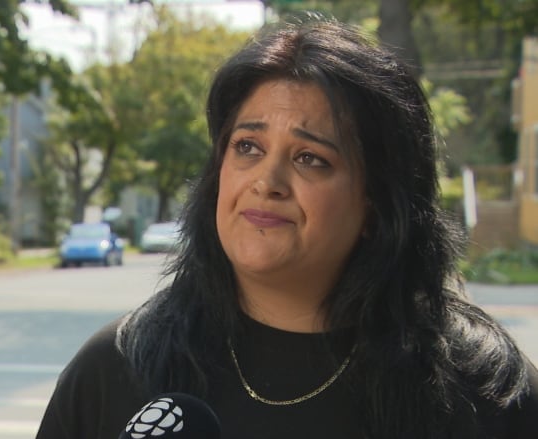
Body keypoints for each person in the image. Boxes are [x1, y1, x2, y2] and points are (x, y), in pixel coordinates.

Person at [36, 15, 538, 439]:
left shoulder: (484, 396)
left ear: (379, 206)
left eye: (309, 158)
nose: (266, 182)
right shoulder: (116, 370)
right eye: (248, 147)